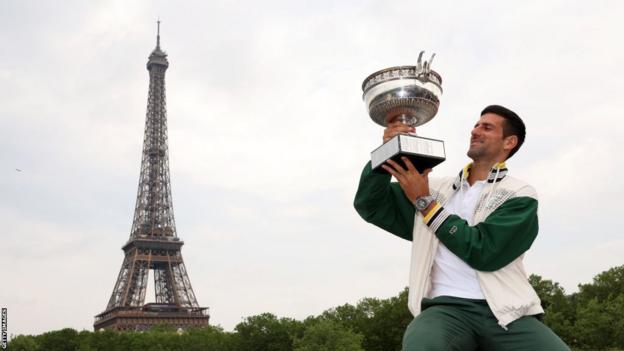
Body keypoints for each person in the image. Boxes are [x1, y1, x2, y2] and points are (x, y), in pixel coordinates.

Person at [354, 105, 570, 351]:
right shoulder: (432, 188)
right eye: (476, 125)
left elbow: (484, 252)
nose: (475, 131)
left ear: (509, 142)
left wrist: (426, 204)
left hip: (506, 313)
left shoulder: (519, 194)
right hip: (445, 309)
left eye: (486, 127)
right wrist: (387, 150)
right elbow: (369, 203)